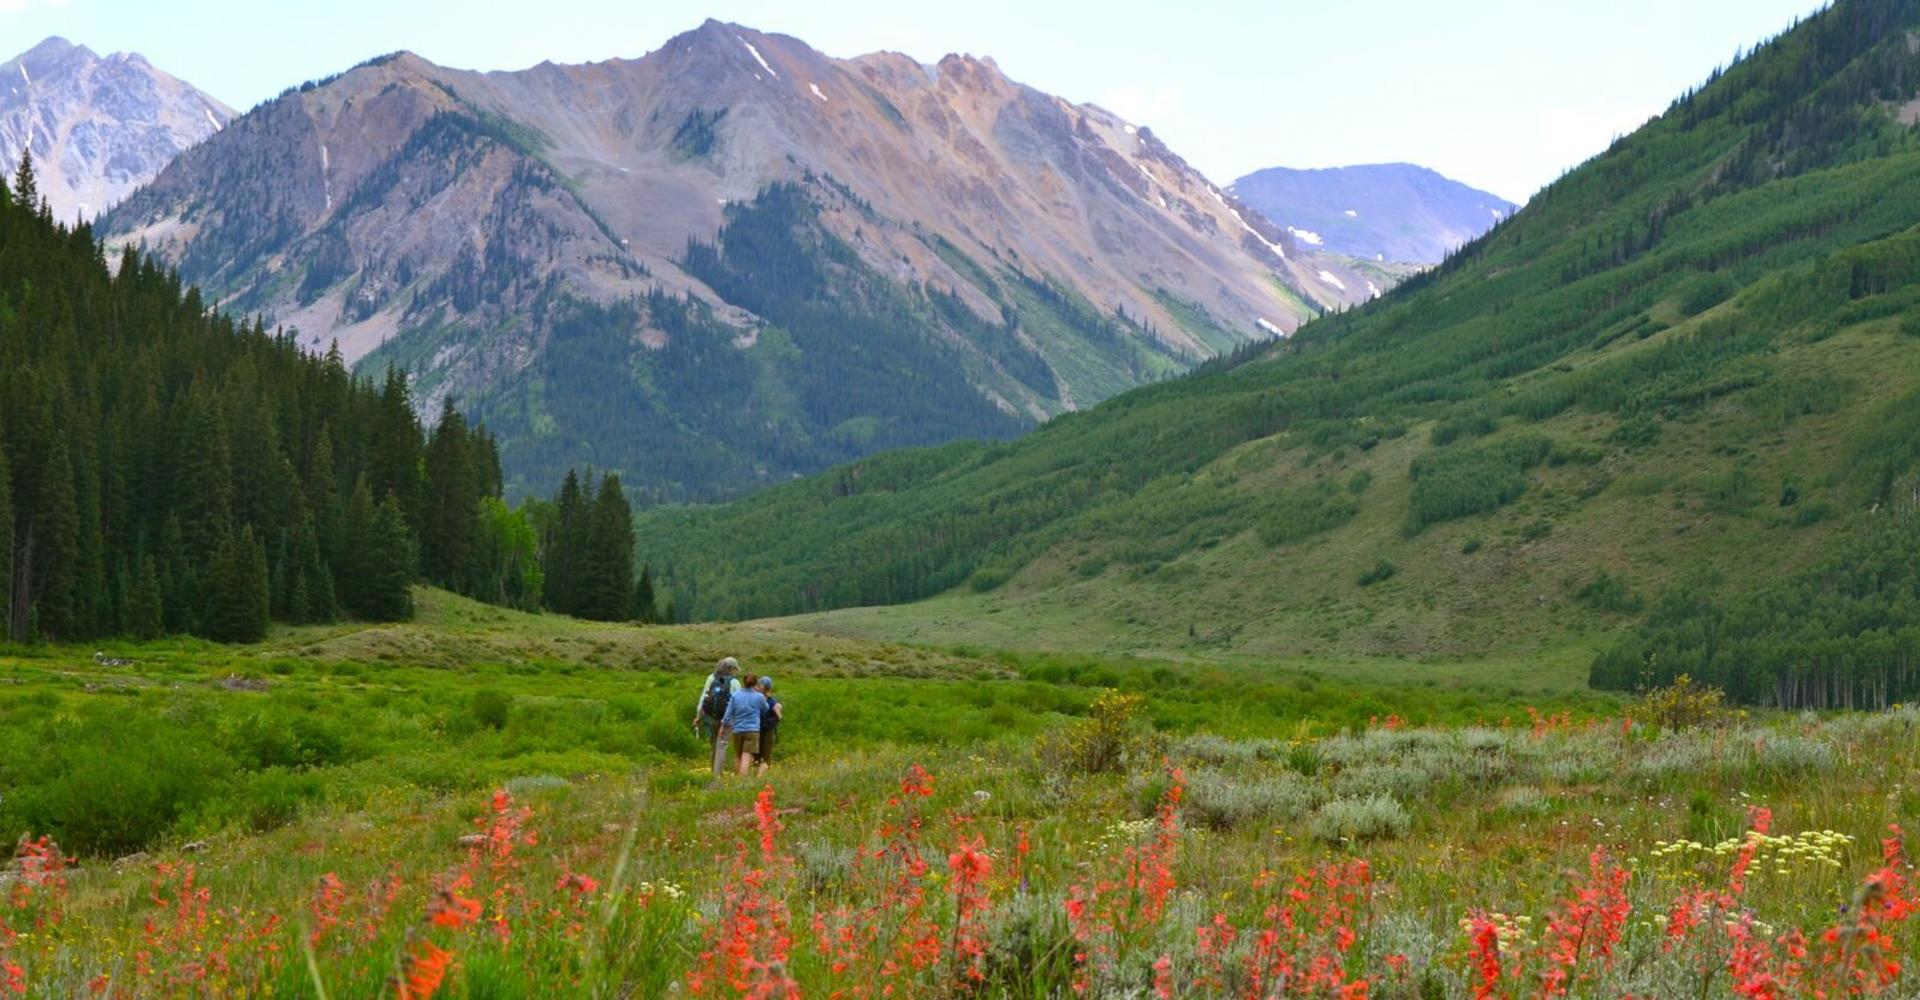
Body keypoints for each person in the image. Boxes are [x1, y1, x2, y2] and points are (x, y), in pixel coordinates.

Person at [694, 657, 743, 776]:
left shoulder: (711, 678)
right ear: (731, 668)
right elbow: (738, 704)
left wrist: (698, 716)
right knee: (721, 747)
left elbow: (703, 697)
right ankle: (717, 776)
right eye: (735, 669)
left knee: (713, 747)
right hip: (725, 721)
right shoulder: (735, 682)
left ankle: (713, 773)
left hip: (709, 718)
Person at [720, 672, 771, 777]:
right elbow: (766, 709)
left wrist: (723, 727)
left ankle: (737, 778)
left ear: (743, 682)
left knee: (738, 756)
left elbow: (728, 714)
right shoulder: (759, 696)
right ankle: (742, 780)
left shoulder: (735, 695)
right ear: (756, 683)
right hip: (752, 730)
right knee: (746, 756)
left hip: (737, 729)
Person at [755, 676, 783, 775]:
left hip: (756, 729)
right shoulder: (771, 700)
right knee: (767, 753)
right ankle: (762, 773)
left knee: (757, 753)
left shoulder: (755, 698)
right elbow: (779, 715)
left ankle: (757, 771)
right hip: (768, 729)